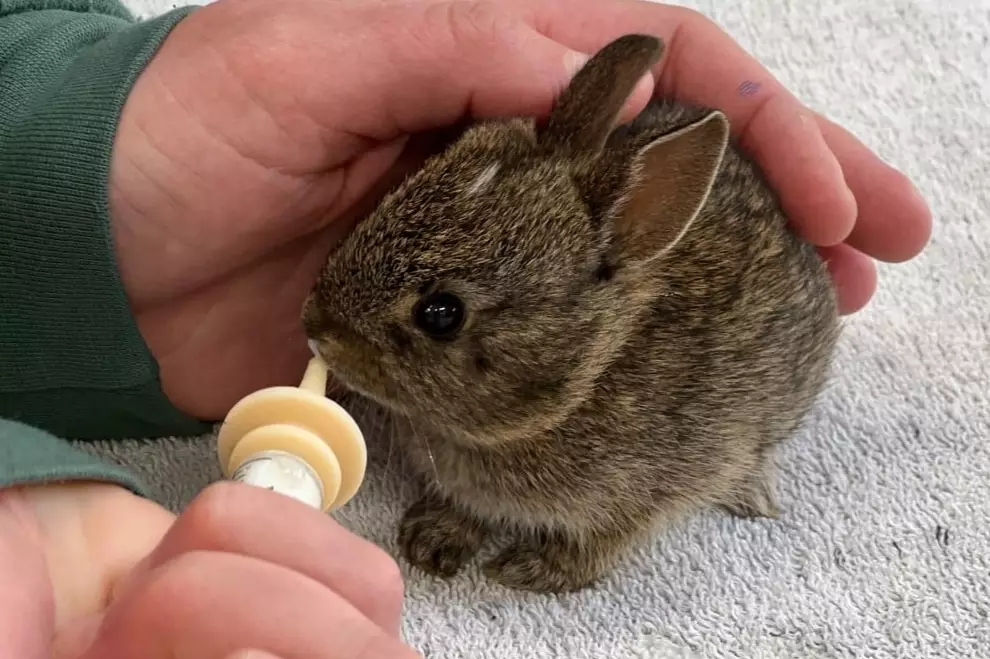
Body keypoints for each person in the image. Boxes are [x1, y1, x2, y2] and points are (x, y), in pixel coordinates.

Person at [0, 0, 931, 656]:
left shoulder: (635, 412)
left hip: (710, 382)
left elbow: (669, 461)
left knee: (724, 434)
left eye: (438, 317)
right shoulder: (432, 367)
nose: (319, 325)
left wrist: (585, 543)